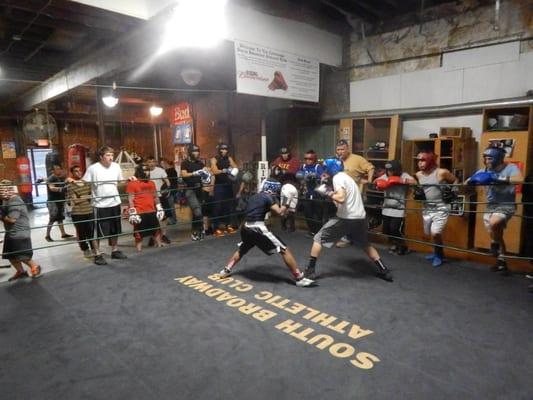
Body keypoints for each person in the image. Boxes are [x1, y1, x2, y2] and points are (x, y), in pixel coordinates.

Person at [303, 158, 393, 282]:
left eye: (326, 168)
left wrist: (327, 192)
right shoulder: (347, 178)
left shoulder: (338, 178)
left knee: (318, 238)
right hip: (360, 217)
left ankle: (310, 270)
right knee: (365, 244)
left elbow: (341, 198)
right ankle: (384, 270)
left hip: (347, 218)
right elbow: (339, 202)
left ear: (331, 168)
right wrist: (328, 193)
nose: (325, 171)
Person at [217, 179, 315, 287]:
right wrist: (287, 200)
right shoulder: (268, 197)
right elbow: (280, 212)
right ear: (273, 188)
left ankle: (226, 270)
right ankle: (299, 278)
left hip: (246, 227)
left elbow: (266, 210)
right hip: (257, 227)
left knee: (242, 249)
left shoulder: (255, 196)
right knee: (284, 249)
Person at [467, 146, 523, 274]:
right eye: (485, 158)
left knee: (494, 224)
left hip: (506, 204)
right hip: (491, 206)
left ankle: (493, 244)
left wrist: (497, 178)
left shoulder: (510, 168)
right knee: (497, 233)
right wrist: (472, 181)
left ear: (498, 158)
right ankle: (502, 260)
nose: (487, 161)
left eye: (490, 158)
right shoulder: (485, 170)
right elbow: (466, 181)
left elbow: (520, 179)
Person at [82, 146, 129, 265]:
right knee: (97, 231)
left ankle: (115, 250)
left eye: (112, 155)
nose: (111, 157)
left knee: (115, 228)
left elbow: (120, 181)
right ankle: (97, 254)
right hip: (99, 205)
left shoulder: (116, 166)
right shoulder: (93, 168)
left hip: (114, 202)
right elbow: (84, 183)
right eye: (108, 155)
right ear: (101, 157)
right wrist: (71, 180)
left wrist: (129, 179)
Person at [415, 150, 458, 267]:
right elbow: (424, 189)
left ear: (430, 161)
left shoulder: (441, 172)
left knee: (436, 232)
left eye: (423, 160)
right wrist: (419, 192)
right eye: (418, 160)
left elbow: (455, 180)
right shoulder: (418, 174)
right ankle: (436, 252)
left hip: (441, 207)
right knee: (429, 232)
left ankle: (439, 255)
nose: (420, 163)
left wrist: (453, 192)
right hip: (427, 208)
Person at [334, 139, 374, 248]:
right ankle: (349, 237)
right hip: (342, 192)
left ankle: (353, 238)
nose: (340, 151)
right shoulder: (336, 161)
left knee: (353, 216)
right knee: (343, 215)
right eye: (338, 149)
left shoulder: (357, 159)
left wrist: (369, 180)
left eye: (342, 149)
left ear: (347, 149)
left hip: (356, 193)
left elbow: (370, 168)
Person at [0, 181, 41, 281]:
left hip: (19, 232)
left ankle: (35, 266)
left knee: (22, 256)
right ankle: (21, 272)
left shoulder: (15, 201)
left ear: (9, 190)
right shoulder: (7, 200)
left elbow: (12, 219)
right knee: (10, 255)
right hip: (11, 232)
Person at [374, 160, 416, 255]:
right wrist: (379, 184)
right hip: (386, 207)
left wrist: (401, 181)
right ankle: (395, 244)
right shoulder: (386, 176)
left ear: (397, 170)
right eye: (388, 170)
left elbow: (415, 182)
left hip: (399, 208)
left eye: (392, 170)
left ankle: (403, 246)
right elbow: (375, 181)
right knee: (386, 230)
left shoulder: (404, 175)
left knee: (394, 229)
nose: (390, 172)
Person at [126, 164, 165, 251]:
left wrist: (159, 208)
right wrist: (133, 213)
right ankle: (139, 251)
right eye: (145, 170)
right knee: (139, 234)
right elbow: (130, 199)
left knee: (156, 230)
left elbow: (155, 196)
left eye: (148, 170)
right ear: (140, 172)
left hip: (151, 210)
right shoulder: (132, 184)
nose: (147, 172)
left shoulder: (151, 183)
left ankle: (160, 248)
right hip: (140, 211)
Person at [181, 144, 211, 241]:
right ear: (190, 152)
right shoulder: (185, 163)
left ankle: (198, 230)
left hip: (200, 189)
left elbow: (205, 174)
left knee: (198, 212)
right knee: (197, 211)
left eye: (198, 151)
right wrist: (194, 173)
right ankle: (195, 231)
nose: (197, 153)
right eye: (194, 151)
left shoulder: (200, 163)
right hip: (190, 189)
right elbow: (183, 175)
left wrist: (207, 173)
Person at [66, 165, 97, 259]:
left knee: (91, 232)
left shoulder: (87, 183)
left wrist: (81, 197)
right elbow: (75, 201)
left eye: (80, 171)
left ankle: (94, 249)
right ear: (72, 173)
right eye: (76, 171)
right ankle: (85, 250)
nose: (79, 173)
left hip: (89, 211)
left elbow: (92, 196)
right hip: (78, 213)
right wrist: (86, 197)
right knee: (82, 233)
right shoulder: (70, 186)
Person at [210, 143, 239, 237]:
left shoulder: (229, 158)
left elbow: (236, 168)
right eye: (223, 149)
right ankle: (216, 228)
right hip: (219, 186)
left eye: (226, 149)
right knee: (217, 207)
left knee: (228, 206)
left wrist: (232, 170)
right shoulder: (214, 159)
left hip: (228, 185)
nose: (224, 151)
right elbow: (214, 171)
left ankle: (227, 226)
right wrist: (224, 170)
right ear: (219, 150)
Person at [270, 147, 301, 231]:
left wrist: (283, 171)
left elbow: (294, 171)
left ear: (289, 153)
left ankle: (291, 226)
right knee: (284, 205)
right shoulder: (278, 160)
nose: (284, 155)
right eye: (282, 154)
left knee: (292, 206)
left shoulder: (294, 160)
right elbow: (273, 167)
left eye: (286, 153)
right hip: (283, 186)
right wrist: (275, 169)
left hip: (293, 185)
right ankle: (283, 225)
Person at [297, 150, 326, 236]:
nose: (308, 160)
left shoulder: (318, 167)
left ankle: (319, 233)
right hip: (307, 193)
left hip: (318, 194)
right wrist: (300, 175)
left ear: (314, 159)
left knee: (318, 214)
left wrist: (315, 176)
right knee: (307, 213)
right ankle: (312, 231)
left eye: (310, 158)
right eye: (306, 158)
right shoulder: (303, 166)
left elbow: (323, 177)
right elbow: (298, 174)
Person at [45, 164, 73, 241]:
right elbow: (52, 188)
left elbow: (66, 187)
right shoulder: (51, 178)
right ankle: (47, 235)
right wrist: (62, 189)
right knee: (52, 218)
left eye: (59, 169)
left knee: (60, 218)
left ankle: (63, 234)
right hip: (53, 202)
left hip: (60, 200)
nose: (59, 170)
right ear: (52, 171)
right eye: (57, 169)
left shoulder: (60, 178)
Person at [146, 156, 171, 244]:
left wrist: (167, 190)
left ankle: (163, 235)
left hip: (160, 196)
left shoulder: (160, 170)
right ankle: (153, 237)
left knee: (163, 217)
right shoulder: (144, 172)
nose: (151, 163)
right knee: (151, 218)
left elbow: (167, 181)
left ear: (155, 162)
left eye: (153, 161)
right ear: (147, 163)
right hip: (149, 198)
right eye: (149, 161)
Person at [160, 158, 178, 225]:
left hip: (169, 190)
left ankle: (172, 220)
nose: (162, 165)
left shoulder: (168, 171)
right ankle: (172, 220)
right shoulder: (173, 170)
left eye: (162, 164)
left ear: (165, 163)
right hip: (172, 190)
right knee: (170, 205)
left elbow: (168, 182)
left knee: (170, 205)